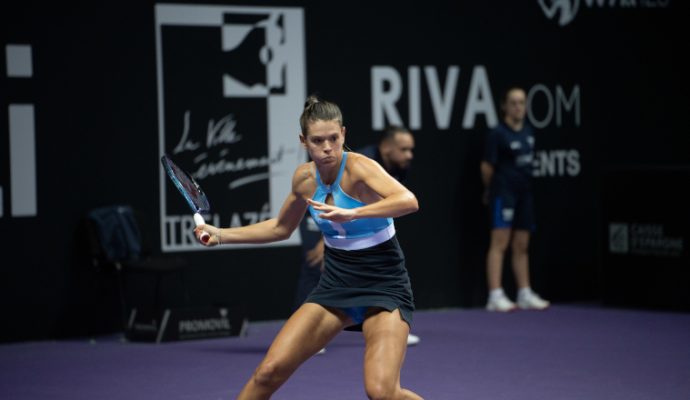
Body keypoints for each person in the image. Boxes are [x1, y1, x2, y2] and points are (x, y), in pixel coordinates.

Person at [195, 95, 424, 400]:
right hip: (336, 285)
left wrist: (354, 212)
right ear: (304, 141)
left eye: (333, 138)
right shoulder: (304, 179)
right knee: (268, 372)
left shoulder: (360, 168)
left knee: (381, 391)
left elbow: (409, 201)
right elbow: (280, 228)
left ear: (343, 133)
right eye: (318, 141)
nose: (327, 147)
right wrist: (220, 235)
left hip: (385, 285)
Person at [293, 125, 420, 347]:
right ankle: (308, 336)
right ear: (387, 147)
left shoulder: (398, 165)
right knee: (315, 263)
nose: (409, 155)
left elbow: (389, 203)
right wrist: (325, 241)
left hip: (347, 217)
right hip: (318, 211)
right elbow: (341, 202)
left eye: (411, 149)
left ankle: (390, 327)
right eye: (404, 149)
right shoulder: (365, 163)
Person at [481, 86, 550, 312]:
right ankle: (495, 294)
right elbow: (487, 166)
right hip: (503, 192)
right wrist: (490, 189)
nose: (519, 107)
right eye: (514, 102)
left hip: (525, 193)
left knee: (522, 244)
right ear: (504, 106)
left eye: (522, 102)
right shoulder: (497, 134)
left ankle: (524, 292)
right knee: (500, 242)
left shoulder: (529, 131)